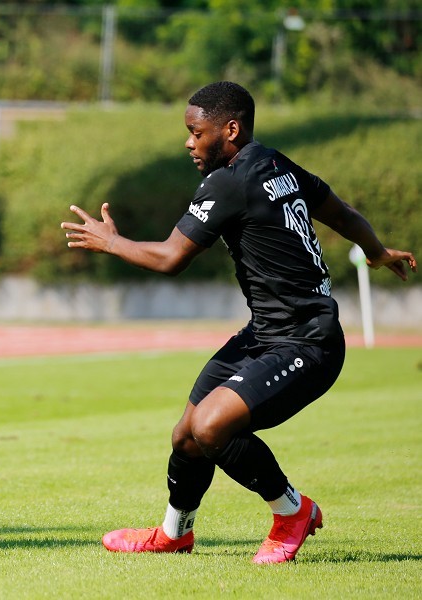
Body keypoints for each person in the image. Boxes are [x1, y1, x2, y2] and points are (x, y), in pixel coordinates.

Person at [61, 81, 416, 564]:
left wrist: (111, 242)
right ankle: (174, 533)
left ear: (230, 129)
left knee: (210, 428)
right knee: (186, 434)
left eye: (196, 131)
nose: (189, 142)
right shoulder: (275, 164)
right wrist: (377, 252)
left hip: (308, 342)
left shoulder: (230, 181)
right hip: (265, 334)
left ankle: (293, 512)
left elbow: (170, 258)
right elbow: (341, 211)